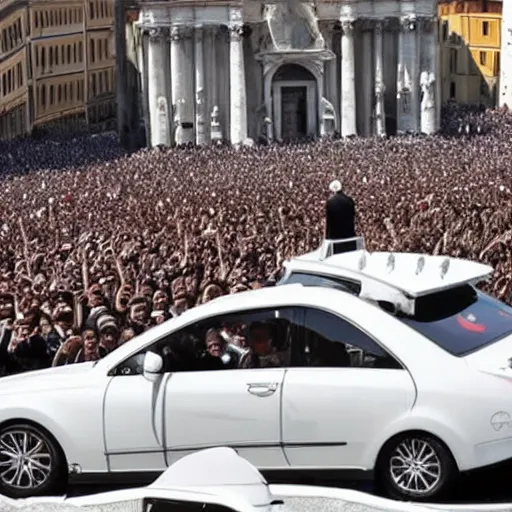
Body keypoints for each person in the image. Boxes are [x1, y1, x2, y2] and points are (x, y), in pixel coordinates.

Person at [325, 179, 357, 254]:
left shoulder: (330, 202)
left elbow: (329, 223)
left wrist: (327, 237)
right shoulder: (350, 200)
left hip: (336, 239)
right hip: (349, 237)